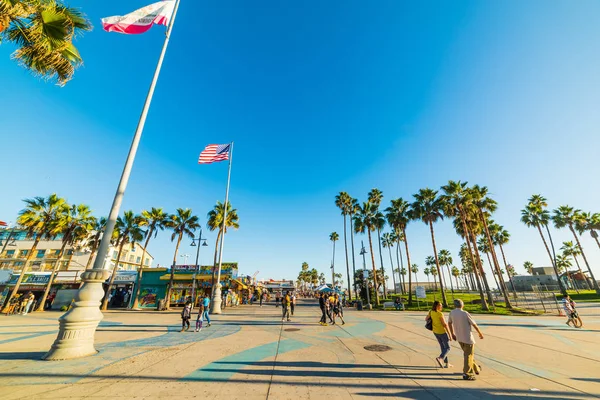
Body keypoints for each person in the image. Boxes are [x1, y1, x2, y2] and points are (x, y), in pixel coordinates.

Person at [448, 299, 484, 381]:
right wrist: (480, 333)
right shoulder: (465, 313)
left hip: (459, 338)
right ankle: (467, 374)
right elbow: (474, 324)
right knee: (468, 355)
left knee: (469, 355)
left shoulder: (452, 313)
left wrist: (452, 333)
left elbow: (449, 323)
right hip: (468, 338)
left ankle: (476, 369)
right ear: (462, 305)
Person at [427, 300, 452, 368]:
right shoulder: (440, 314)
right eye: (440, 305)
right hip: (442, 332)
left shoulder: (431, 312)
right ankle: (440, 358)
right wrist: (450, 334)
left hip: (435, 332)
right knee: (448, 348)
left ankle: (446, 363)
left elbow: (426, 318)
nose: (442, 306)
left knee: (443, 347)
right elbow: (445, 325)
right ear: (437, 306)